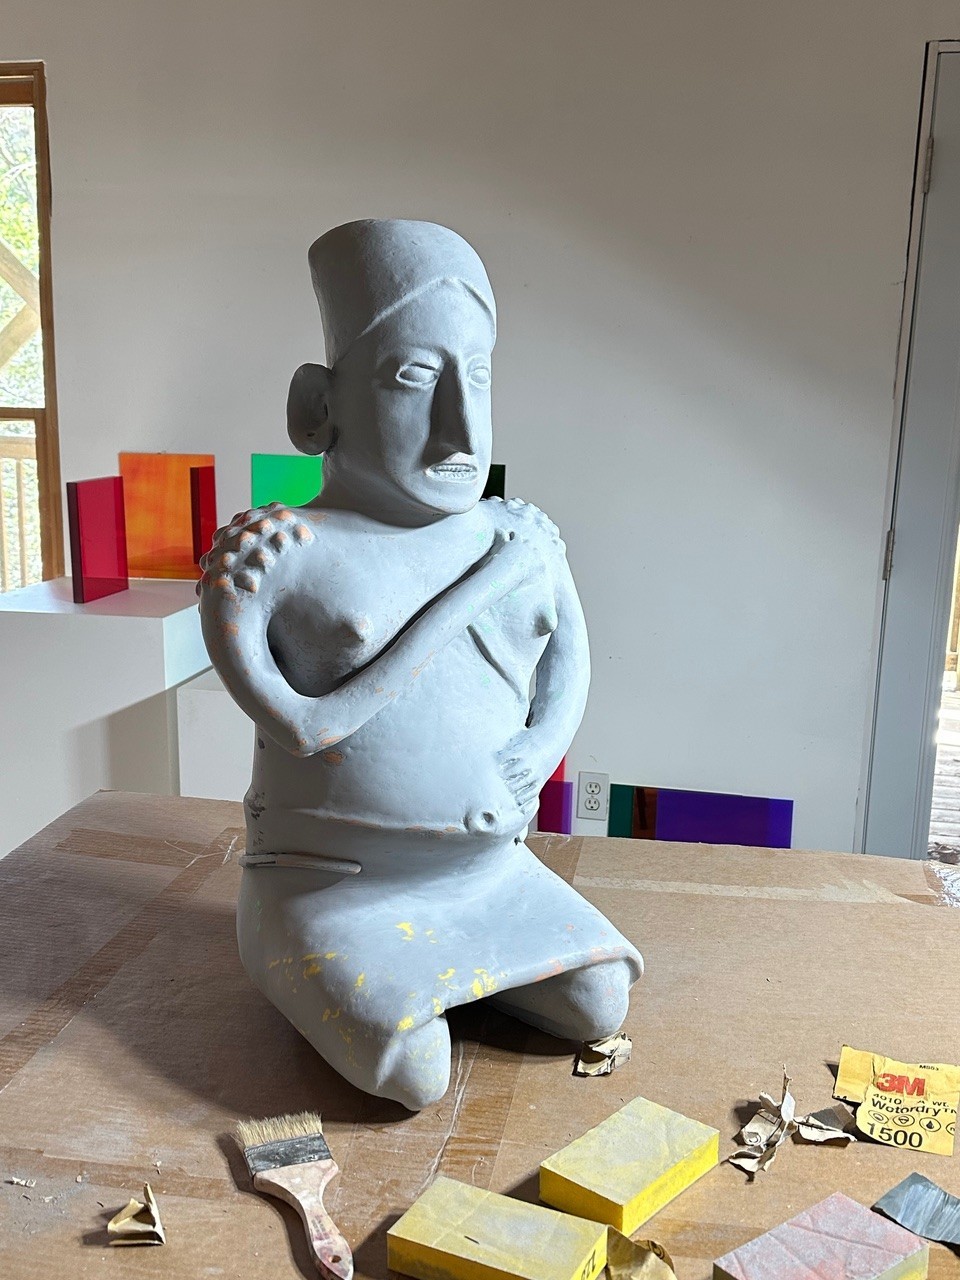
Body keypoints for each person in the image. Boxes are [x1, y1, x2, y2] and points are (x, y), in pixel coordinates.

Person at [198, 220, 642, 1110]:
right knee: (415, 1075)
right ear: (318, 404)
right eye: (412, 377)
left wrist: (542, 747)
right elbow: (307, 729)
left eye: (476, 378)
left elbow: (571, 661)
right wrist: (486, 584)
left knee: (600, 1003)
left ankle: (465, 964)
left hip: (490, 875)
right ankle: (298, 957)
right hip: (330, 888)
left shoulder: (516, 534)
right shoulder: (276, 554)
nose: (460, 428)